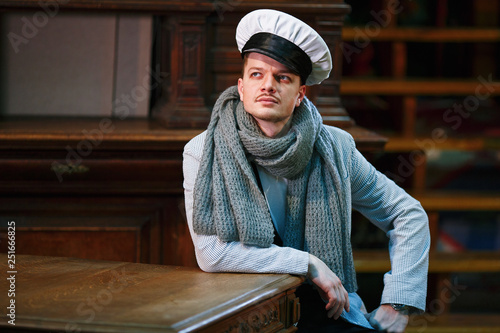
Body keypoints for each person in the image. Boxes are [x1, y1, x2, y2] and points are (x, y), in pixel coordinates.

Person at [183, 9, 430, 333]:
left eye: (282, 77)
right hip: (247, 313)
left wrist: (398, 302)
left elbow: (407, 213)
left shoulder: (336, 149)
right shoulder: (204, 150)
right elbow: (212, 254)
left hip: (329, 311)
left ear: (300, 94)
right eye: (257, 74)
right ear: (241, 87)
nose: (268, 85)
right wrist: (309, 264)